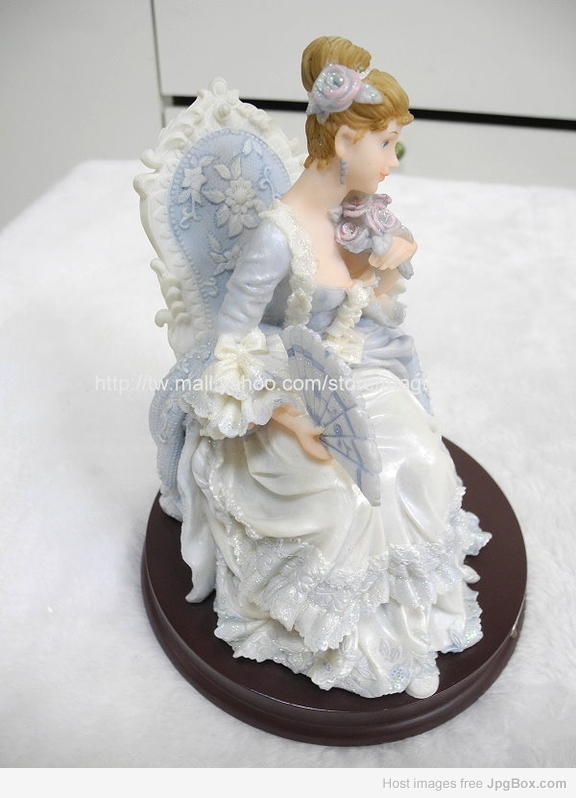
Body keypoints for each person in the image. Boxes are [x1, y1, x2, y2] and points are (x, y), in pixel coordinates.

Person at [150, 36, 491, 699]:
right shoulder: (276, 239)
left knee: (418, 460)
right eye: (386, 144)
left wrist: (382, 267)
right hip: (284, 386)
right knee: (347, 496)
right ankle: (340, 631)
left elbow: (369, 304)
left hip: (357, 368)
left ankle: (409, 613)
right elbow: (232, 342)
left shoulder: (355, 212)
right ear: (344, 142)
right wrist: (286, 418)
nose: (392, 161)